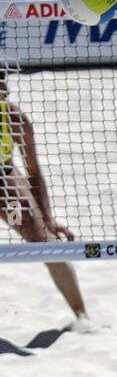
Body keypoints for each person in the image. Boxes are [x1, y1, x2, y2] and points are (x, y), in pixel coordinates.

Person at [0, 63, 87, 319]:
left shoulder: (14, 118)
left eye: (4, 82)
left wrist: (47, 220)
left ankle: (82, 318)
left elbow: (34, 173)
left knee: (47, 245)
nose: (4, 88)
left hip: (4, 180)